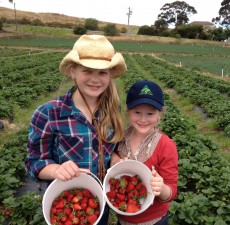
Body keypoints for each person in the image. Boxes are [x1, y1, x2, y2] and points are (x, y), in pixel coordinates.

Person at [25, 34, 127, 225]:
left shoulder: (112, 109)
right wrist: (56, 169)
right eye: (87, 71)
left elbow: (111, 147)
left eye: (103, 72)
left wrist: (115, 159)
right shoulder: (48, 114)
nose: (95, 79)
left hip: (98, 199)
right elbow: (33, 162)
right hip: (66, 200)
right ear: (73, 71)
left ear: (111, 74)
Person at [111, 80, 178, 225]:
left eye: (150, 113)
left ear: (160, 114)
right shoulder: (119, 138)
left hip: (153, 220)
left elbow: (171, 190)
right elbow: (108, 154)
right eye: (137, 112)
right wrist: (115, 159)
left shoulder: (166, 145)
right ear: (128, 111)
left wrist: (161, 188)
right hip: (123, 216)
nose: (143, 119)